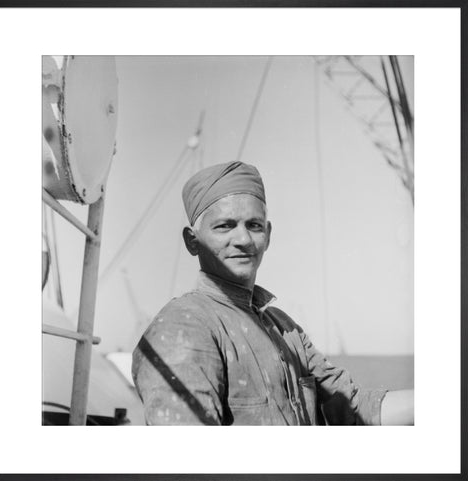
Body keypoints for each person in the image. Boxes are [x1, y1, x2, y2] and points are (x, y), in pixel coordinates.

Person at [132, 161, 414, 425]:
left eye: (253, 226)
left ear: (267, 235)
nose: (243, 240)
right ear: (192, 242)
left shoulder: (284, 329)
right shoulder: (186, 325)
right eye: (225, 226)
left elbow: (353, 408)